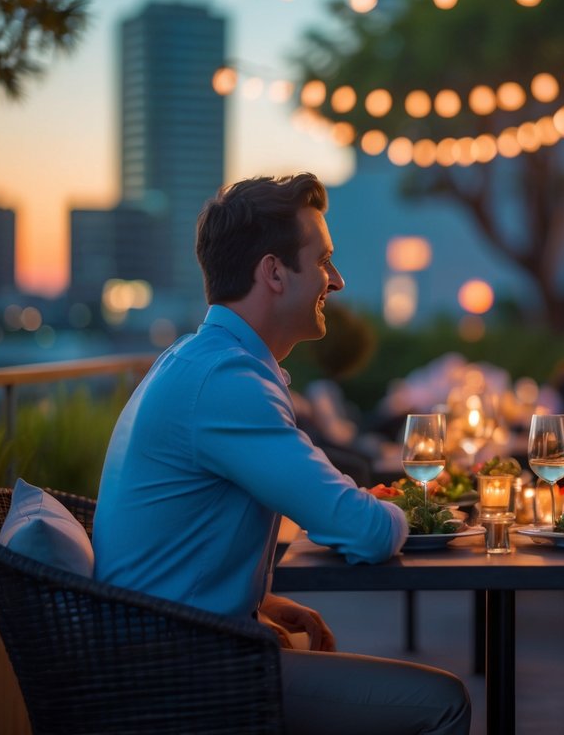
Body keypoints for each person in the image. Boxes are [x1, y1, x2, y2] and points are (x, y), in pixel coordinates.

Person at [93, 173, 470, 735]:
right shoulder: (226, 381)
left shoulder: (195, 360)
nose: (336, 281)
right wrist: (409, 513)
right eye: (322, 261)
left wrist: (261, 605)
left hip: (171, 650)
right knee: (444, 702)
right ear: (273, 272)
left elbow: (178, 544)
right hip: (182, 676)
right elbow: (362, 531)